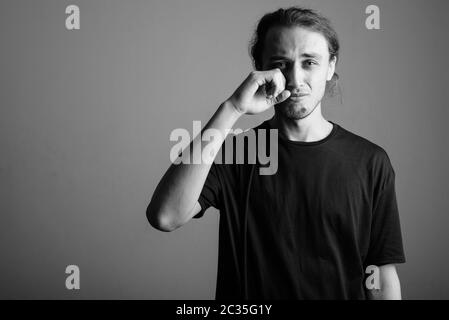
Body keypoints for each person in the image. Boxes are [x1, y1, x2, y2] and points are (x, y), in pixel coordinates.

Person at [146, 6, 405, 299]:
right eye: (281, 63)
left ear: (331, 66)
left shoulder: (370, 161)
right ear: (261, 68)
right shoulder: (238, 153)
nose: (295, 79)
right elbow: (165, 216)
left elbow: (381, 276)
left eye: (310, 62)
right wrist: (233, 108)